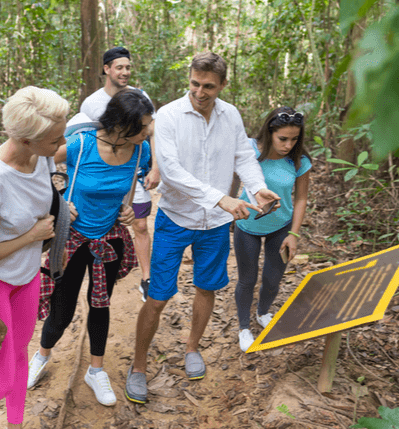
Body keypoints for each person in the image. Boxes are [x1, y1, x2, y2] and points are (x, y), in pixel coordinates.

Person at [125, 52, 280, 404]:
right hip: (176, 219)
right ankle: (138, 365)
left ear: (223, 85)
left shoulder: (231, 115)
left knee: (206, 287)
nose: (200, 92)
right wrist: (220, 198)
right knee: (158, 296)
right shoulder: (168, 116)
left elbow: (243, 155)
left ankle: (192, 347)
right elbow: (172, 171)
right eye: (195, 83)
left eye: (209, 86)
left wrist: (257, 187)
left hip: (215, 225)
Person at [28, 89, 154, 407]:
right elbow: (34, 162)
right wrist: (57, 202)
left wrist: (126, 212)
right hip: (71, 240)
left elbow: (133, 188)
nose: (148, 132)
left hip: (108, 240)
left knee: (101, 304)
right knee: (63, 308)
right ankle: (42, 356)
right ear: (120, 126)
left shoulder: (141, 151)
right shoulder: (81, 145)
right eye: (142, 127)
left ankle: (95, 371)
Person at [0, 87, 72, 428]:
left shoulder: (42, 154)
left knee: (18, 359)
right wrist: (32, 236)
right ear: (26, 140)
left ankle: (15, 424)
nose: (61, 145)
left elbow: (45, 195)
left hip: (28, 275)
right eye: (55, 139)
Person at [80, 47, 159, 302]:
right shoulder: (91, 104)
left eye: (128, 67)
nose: (125, 72)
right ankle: (104, 267)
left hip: (134, 172)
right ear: (106, 69)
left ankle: (146, 278)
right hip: (105, 180)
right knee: (109, 223)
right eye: (119, 67)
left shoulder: (140, 96)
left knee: (139, 223)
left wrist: (155, 166)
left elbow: (151, 132)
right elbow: (84, 143)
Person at [234, 107, 312, 352]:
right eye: (283, 139)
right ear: (269, 133)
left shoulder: (299, 160)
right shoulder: (249, 150)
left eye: (294, 139)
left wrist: (294, 234)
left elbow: (300, 199)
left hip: (282, 226)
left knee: (272, 277)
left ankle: (263, 313)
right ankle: (244, 327)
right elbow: (234, 178)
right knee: (247, 279)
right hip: (247, 225)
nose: (289, 144)